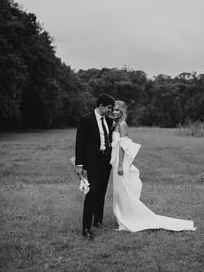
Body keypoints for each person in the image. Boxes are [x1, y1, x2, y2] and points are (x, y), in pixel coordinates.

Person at [110, 100, 196, 232]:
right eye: (114, 109)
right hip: (116, 160)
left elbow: (123, 146)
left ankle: (128, 217)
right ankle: (123, 216)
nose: (115, 112)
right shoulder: (116, 124)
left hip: (120, 162)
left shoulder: (122, 124)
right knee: (119, 190)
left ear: (122, 111)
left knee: (123, 190)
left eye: (118, 110)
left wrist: (121, 165)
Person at [75, 94, 115, 240]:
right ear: (101, 106)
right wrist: (79, 165)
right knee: (92, 192)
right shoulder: (86, 119)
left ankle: (98, 221)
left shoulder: (109, 121)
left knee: (102, 191)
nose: (111, 110)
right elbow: (79, 143)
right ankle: (86, 228)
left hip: (106, 160)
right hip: (93, 162)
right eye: (109, 108)